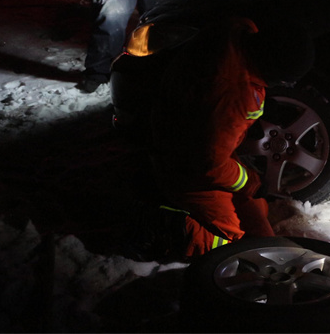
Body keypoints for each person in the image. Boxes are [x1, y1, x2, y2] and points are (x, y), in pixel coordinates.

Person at [124, 16, 315, 261]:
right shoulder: (232, 95)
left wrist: (259, 106)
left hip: (180, 135)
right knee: (234, 240)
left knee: (258, 212)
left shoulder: (236, 30)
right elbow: (210, 165)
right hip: (184, 165)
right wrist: (251, 183)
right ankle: (162, 227)